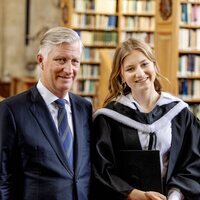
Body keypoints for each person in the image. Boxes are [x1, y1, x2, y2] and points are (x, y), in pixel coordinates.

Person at [92, 38, 200, 200]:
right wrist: (133, 194)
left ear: (154, 66)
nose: (140, 73)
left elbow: (193, 162)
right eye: (130, 68)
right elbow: (101, 170)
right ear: (121, 75)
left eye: (144, 64)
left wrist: (175, 195)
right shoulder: (108, 118)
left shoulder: (179, 112)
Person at [0, 27, 93, 200]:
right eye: (61, 60)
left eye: (75, 61)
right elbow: (3, 179)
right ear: (41, 60)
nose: (69, 69)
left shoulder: (84, 109)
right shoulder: (11, 110)